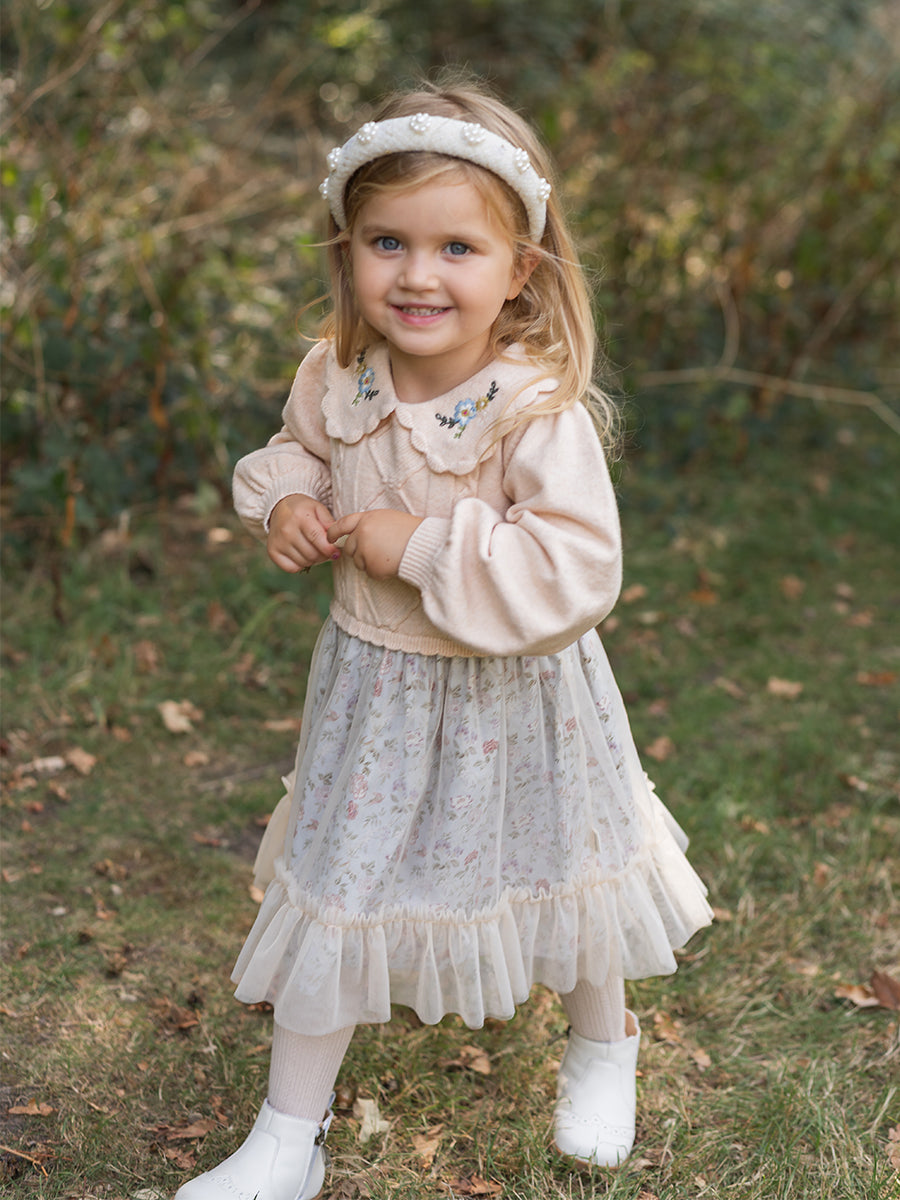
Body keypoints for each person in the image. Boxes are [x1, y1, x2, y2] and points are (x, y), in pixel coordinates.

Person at [174, 79, 712, 1200]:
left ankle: (603, 1046)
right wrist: (285, 501)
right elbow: (298, 449)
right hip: (374, 696)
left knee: (565, 864)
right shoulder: (339, 373)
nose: (418, 275)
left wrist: (421, 547)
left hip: (518, 695)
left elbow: (576, 566)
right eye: (389, 242)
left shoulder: (531, 406)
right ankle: (286, 1139)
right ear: (349, 251)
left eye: (457, 247)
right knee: (337, 881)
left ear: (519, 268)